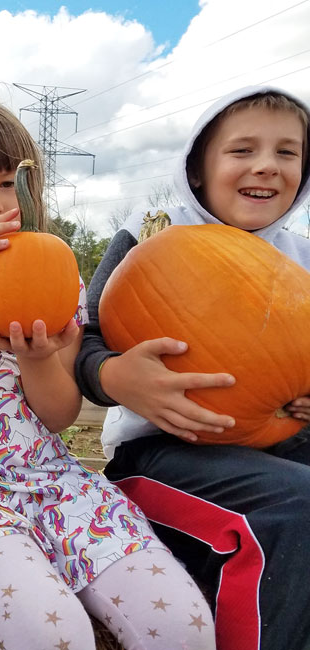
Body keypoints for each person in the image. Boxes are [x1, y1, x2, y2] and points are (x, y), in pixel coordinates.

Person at [0, 102, 215, 650]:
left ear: (32, 189)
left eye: (9, 184)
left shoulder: (57, 270)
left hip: (50, 484)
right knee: (52, 635)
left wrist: (37, 359)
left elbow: (59, 415)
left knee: (185, 628)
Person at [75, 86, 310, 650]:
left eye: (287, 152)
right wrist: (113, 375)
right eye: (242, 151)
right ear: (197, 171)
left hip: (278, 446)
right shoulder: (154, 231)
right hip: (161, 456)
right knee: (300, 507)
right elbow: (85, 336)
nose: (266, 167)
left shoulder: (301, 256)